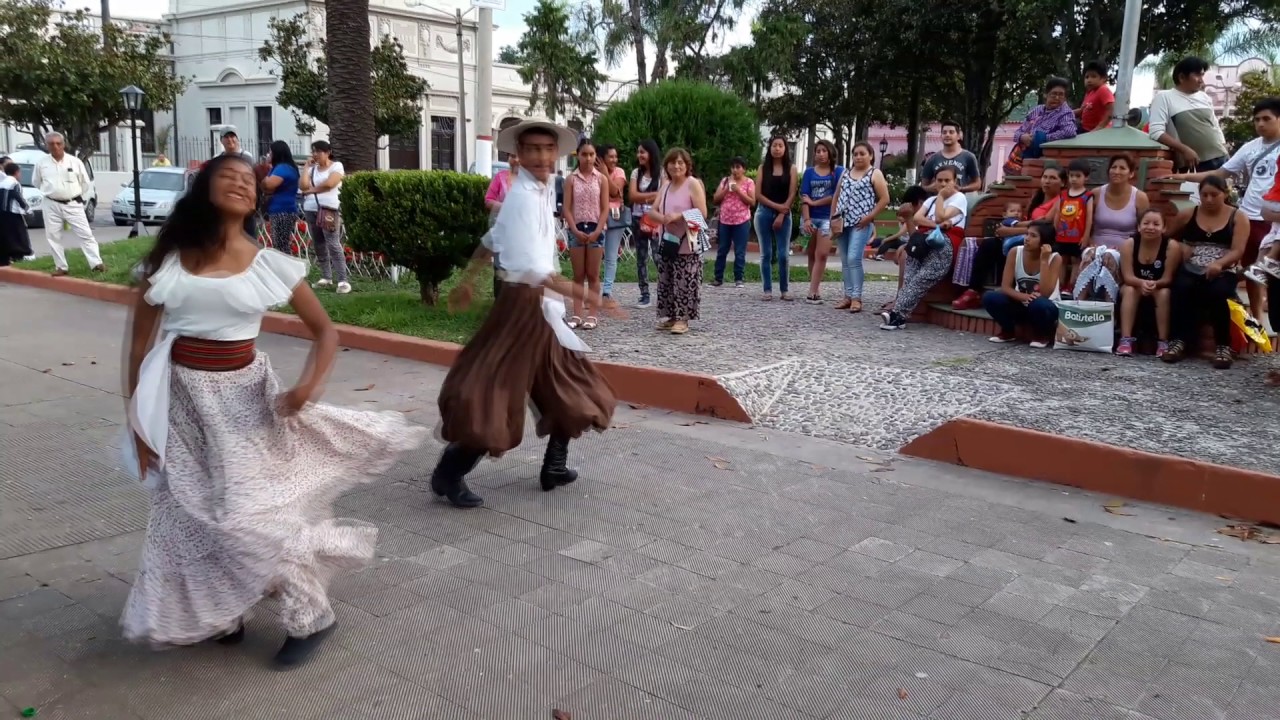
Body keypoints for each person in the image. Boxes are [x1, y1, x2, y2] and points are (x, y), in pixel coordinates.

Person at [120, 153, 427, 666]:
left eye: (249, 179)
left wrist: (307, 387)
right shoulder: (167, 261)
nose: (241, 184)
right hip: (180, 404)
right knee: (187, 514)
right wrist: (136, 423)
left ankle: (312, 616)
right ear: (204, 188)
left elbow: (327, 332)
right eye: (228, 176)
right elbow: (137, 349)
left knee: (248, 517)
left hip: (245, 403)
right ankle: (225, 612)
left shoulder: (266, 261)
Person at [427, 118, 618, 509]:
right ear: (519, 153)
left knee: (567, 379)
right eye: (532, 149)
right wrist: (592, 297)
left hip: (541, 305)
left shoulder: (542, 188)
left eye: (548, 149)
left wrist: (468, 280)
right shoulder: (523, 196)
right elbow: (536, 271)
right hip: (521, 306)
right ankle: (449, 471)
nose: (542, 156)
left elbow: (492, 239)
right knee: (496, 391)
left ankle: (555, 464)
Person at [1170, 96, 1280, 323]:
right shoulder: (1250, 147)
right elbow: (1220, 174)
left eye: (1266, 119)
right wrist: (1181, 176)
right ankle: (1257, 318)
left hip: (1277, 220)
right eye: (1256, 119)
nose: (1260, 124)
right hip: (1252, 215)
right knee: (1253, 269)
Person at [1162, 175, 1249, 368]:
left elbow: (1238, 250)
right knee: (1182, 287)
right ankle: (1179, 340)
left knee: (1219, 291)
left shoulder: (1238, 217)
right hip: (1192, 264)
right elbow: (1166, 235)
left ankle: (1223, 345)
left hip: (1223, 267)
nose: (1209, 199)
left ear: (1224, 194)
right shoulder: (1188, 214)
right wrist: (1179, 247)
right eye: (1204, 195)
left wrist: (1220, 263)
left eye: (1214, 195)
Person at [880, 166, 967, 330]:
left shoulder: (959, 198)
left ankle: (896, 314)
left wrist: (941, 197)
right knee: (910, 275)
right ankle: (899, 315)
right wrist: (938, 224)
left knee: (922, 278)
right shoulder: (930, 200)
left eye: (947, 180)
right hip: (924, 240)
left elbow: (941, 215)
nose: (943, 184)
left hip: (944, 243)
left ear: (955, 182)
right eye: (939, 180)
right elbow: (918, 218)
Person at [649, 148, 709, 334]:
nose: (676, 166)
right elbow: (652, 211)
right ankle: (671, 316)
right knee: (667, 280)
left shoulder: (692, 184)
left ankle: (683, 319)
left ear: (687, 165)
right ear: (666, 166)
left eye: (680, 162)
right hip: (668, 241)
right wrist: (664, 218)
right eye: (673, 162)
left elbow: (703, 213)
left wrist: (679, 216)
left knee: (685, 281)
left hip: (687, 242)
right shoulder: (665, 186)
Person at [33, 131, 104, 276]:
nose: (55, 147)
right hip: (51, 203)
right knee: (53, 236)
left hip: (73, 203)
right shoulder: (41, 163)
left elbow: (85, 183)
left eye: (58, 143)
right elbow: (36, 182)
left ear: (64, 144)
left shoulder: (74, 162)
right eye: (51, 144)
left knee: (85, 234)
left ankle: (96, 263)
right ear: (47, 145)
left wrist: (71, 194)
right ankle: (61, 267)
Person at [830, 141, 889, 312]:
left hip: (861, 223)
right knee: (845, 259)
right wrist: (832, 217)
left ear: (870, 155)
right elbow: (836, 196)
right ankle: (847, 295)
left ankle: (857, 297)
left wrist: (870, 217)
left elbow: (885, 199)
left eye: (862, 153)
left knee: (854, 258)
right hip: (842, 222)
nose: (858, 157)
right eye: (855, 154)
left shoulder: (874, 173)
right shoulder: (846, 173)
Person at [982, 221, 1062, 345]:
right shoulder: (1015, 252)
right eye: (1027, 234)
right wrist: (1025, 297)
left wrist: (1044, 261)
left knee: (1040, 304)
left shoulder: (1055, 258)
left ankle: (1042, 334)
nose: (1027, 239)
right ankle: (1008, 331)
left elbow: (1046, 293)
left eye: (1033, 236)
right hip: (1022, 303)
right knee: (990, 297)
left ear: (1045, 241)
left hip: (1046, 308)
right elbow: (1005, 287)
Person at [1116, 209, 1181, 357]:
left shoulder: (1171, 247)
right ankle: (1125, 340)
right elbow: (1127, 277)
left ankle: (1163, 341)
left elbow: (1168, 278)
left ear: (1164, 228)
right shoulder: (1129, 244)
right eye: (1146, 223)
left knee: (1164, 293)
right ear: (1138, 227)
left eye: (1156, 224)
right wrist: (1142, 283)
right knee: (1130, 290)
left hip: (1159, 286)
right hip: (1134, 285)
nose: (1150, 227)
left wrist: (1154, 285)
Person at [1148, 56, 1229, 173]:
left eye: (1202, 75)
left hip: (1221, 159)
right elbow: (1156, 132)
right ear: (1181, 77)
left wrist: (1224, 148)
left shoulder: (1204, 97)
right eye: (1197, 75)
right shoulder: (1164, 97)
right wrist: (1185, 150)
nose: (1201, 80)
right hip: (1193, 165)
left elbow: (1215, 126)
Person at [562, 138, 609, 330]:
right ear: (578, 156)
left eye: (591, 154)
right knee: (578, 275)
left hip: (596, 228)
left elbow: (605, 208)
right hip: (577, 228)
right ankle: (577, 314)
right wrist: (574, 229)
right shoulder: (571, 179)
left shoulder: (602, 179)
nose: (588, 158)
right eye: (584, 154)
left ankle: (592, 315)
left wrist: (598, 229)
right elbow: (566, 207)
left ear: (595, 156)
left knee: (593, 274)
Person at [298, 141, 349, 294]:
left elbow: (330, 184)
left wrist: (310, 191)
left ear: (328, 152)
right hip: (311, 209)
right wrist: (306, 168)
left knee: (333, 244)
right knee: (319, 243)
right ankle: (326, 276)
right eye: (314, 151)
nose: (315, 154)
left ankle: (343, 280)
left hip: (329, 209)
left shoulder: (336, 166)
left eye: (319, 151)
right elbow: (303, 186)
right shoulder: (313, 169)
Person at [800, 140, 844, 303]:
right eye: (818, 151)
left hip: (828, 218)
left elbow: (836, 196)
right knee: (811, 253)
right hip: (811, 218)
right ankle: (815, 287)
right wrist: (806, 219)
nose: (820, 154)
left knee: (822, 254)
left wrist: (814, 202)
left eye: (824, 151)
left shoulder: (838, 171)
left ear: (830, 152)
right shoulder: (809, 173)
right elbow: (805, 197)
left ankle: (812, 292)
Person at [1004, 78, 1078, 174]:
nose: (1057, 98)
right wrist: (1022, 137)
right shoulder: (1037, 110)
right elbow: (1018, 132)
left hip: (1041, 155)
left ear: (1064, 98)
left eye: (1061, 95)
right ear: (1046, 95)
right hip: (1021, 152)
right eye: (1054, 94)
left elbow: (1070, 131)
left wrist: (1042, 138)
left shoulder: (1065, 113)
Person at [755, 135, 798, 301]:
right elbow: (758, 194)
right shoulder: (762, 168)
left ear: (785, 148)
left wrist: (781, 213)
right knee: (766, 253)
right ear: (770, 148)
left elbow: (792, 193)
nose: (777, 148)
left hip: (784, 214)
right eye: (774, 145)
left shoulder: (791, 169)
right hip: (764, 212)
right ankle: (767, 290)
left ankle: (784, 290)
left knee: (783, 254)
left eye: (780, 145)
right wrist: (776, 207)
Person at [1049, 158, 1095, 288]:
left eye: (1078, 176)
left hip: (1077, 236)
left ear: (1086, 177)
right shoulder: (1063, 195)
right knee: (1061, 260)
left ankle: (1071, 285)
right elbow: (1058, 213)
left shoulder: (1087, 196)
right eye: (1071, 175)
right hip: (1062, 235)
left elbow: (1089, 217)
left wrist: (1086, 236)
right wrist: (1054, 230)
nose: (1074, 179)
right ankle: (1059, 284)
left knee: (1075, 261)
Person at [1090, 153, 1149, 251]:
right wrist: (1089, 243)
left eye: (1122, 168)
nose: (1116, 171)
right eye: (1113, 167)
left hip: (1125, 251)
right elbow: (1084, 225)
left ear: (1131, 173)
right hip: (1095, 249)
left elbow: (1143, 229)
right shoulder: (1096, 193)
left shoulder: (1140, 197)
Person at [629, 139, 663, 309]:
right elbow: (632, 196)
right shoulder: (636, 173)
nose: (639, 155)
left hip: (655, 218)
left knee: (658, 257)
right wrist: (652, 195)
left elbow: (663, 196)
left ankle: (664, 291)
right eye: (638, 152)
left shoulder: (662, 174)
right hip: (638, 218)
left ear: (651, 153)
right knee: (641, 257)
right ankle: (644, 294)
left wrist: (647, 196)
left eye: (642, 152)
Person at [712, 156, 755, 287]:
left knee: (740, 251)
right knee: (722, 249)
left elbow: (752, 202)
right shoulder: (725, 181)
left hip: (741, 221)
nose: (735, 170)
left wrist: (738, 191)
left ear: (744, 170)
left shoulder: (749, 182)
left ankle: (739, 278)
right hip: (725, 220)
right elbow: (715, 198)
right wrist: (726, 190)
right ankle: (718, 278)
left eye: (738, 167)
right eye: (733, 167)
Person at [484, 155, 521, 298]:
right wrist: (504, 206)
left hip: (522, 233)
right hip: (502, 231)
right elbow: (488, 200)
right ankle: (500, 306)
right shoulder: (500, 177)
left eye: (518, 156)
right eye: (513, 156)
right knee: (500, 269)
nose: (516, 159)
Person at [598, 144, 628, 306]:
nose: (614, 160)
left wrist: (604, 173)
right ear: (602, 158)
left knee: (610, 256)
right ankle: (592, 292)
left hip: (615, 218)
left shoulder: (620, 172)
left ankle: (607, 292)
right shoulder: (593, 172)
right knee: (595, 256)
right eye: (611, 156)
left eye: (616, 157)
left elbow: (615, 192)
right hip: (597, 217)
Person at [261, 141, 300, 254]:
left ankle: (285, 269)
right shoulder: (276, 168)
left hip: (283, 211)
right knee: (278, 244)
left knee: (281, 245)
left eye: (270, 152)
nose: (268, 154)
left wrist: (264, 182)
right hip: (278, 210)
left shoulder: (283, 168)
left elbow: (268, 185)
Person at [921, 120, 982, 193]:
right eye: (944, 132)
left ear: (958, 136)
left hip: (958, 202)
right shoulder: (932, 159)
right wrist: (931, 188)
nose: (947, 135)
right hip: (938, 201)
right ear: (941, 136)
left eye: (951, 132)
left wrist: (961, 189)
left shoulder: (968, 157)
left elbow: (977, 184)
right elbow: (923, 185)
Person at [0, 161, 32, 265]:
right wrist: (27, 209)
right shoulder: (14, 183)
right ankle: (19, 256)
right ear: (16, 172)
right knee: (19, 236)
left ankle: (4, 259)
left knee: (5, 236)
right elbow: (17, 196)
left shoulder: (2, 183)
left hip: (2, 214)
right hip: (13, 214)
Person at [1077, 61, 1116, 133]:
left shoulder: (1103, 90)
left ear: (1103, 78)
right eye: (1087, 77)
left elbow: (1111, 109)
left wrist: (1100, 126)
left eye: (1093, 76)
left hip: (1098, 132)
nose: (1089, 80)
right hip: (1085, 129)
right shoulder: (1089, 93)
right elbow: (1081, 110)